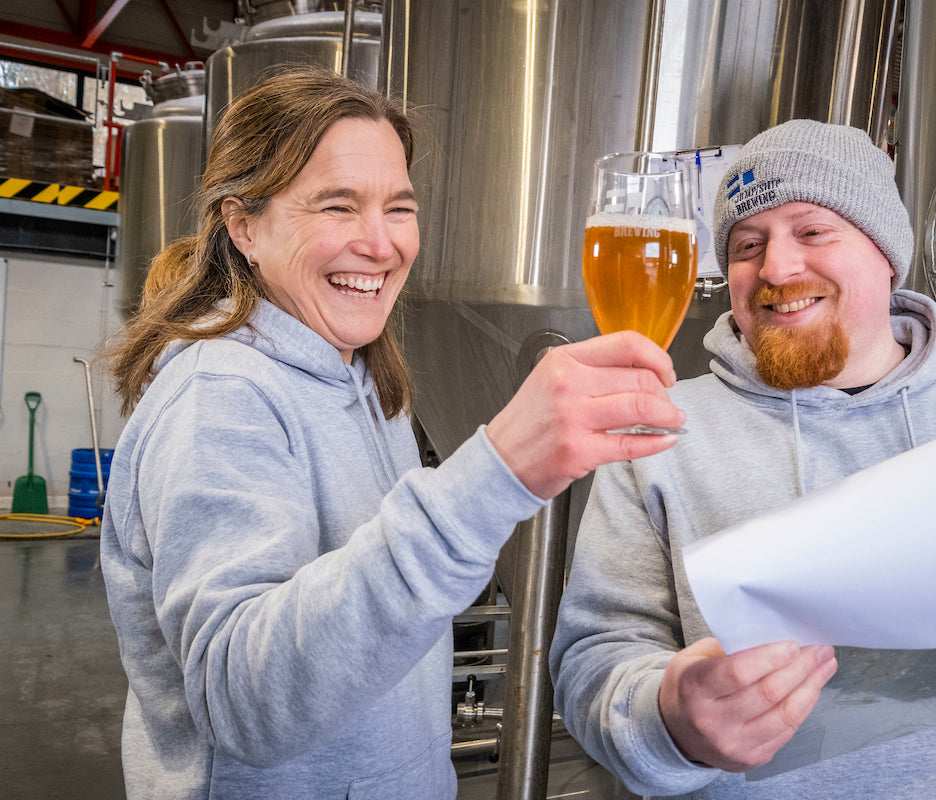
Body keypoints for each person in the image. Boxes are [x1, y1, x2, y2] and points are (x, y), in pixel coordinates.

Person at [549, 119, 936, 798]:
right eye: (747, 244)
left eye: (813, 231)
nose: (777, 269)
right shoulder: (662, 432)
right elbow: (595, 663)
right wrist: (671, 717)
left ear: (886, 253)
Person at [99, 66, 686, 800]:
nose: (380, 245)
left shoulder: (367, 380)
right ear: (242, 225)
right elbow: (244, 704)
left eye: (399, 208)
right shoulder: (221, 396)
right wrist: (492, 474)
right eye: (337, 206)